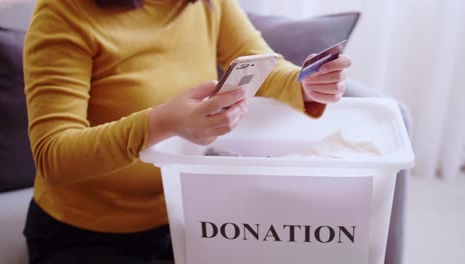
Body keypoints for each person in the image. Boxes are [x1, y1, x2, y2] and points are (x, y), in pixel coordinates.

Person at [22, 0, 352, 263]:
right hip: (85, 234)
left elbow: (259, 63)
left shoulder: (207, 3)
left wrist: (305, 84)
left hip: (188, 213)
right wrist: (165, 122)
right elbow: (54, 157)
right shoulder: (62, 11)